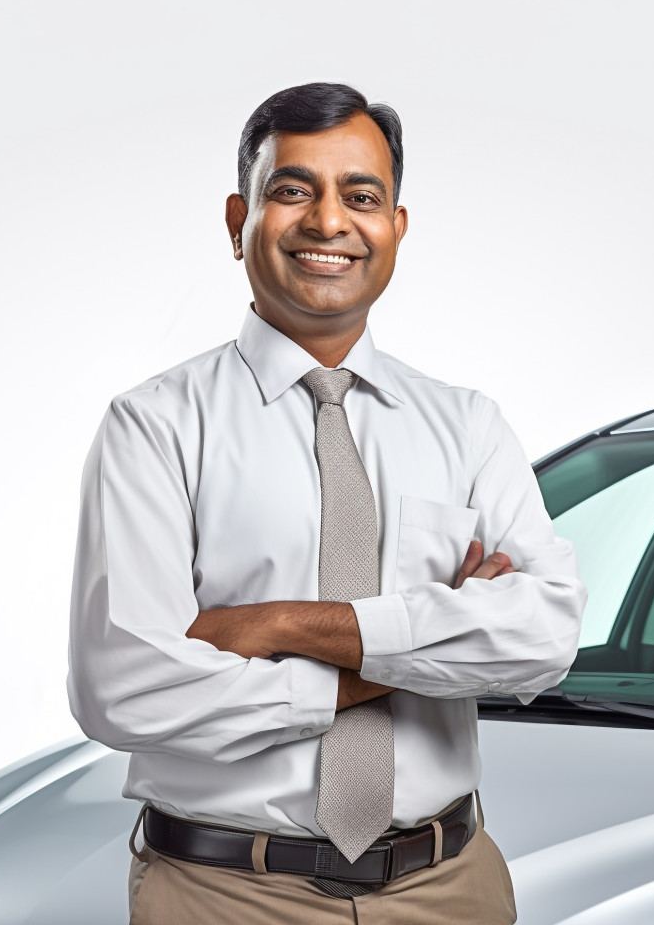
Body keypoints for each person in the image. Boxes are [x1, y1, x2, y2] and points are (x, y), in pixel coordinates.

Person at [67, 82, 586, 924]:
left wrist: (277, 627)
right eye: (293, 190)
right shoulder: (155, 427)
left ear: (396, 229)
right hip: (225, 894)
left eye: (362, 196)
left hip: (449, 889)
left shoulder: (468, 426)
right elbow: (125, 688)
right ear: (239, 221)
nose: (328, 222)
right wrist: (422, 649)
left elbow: (543, 639)